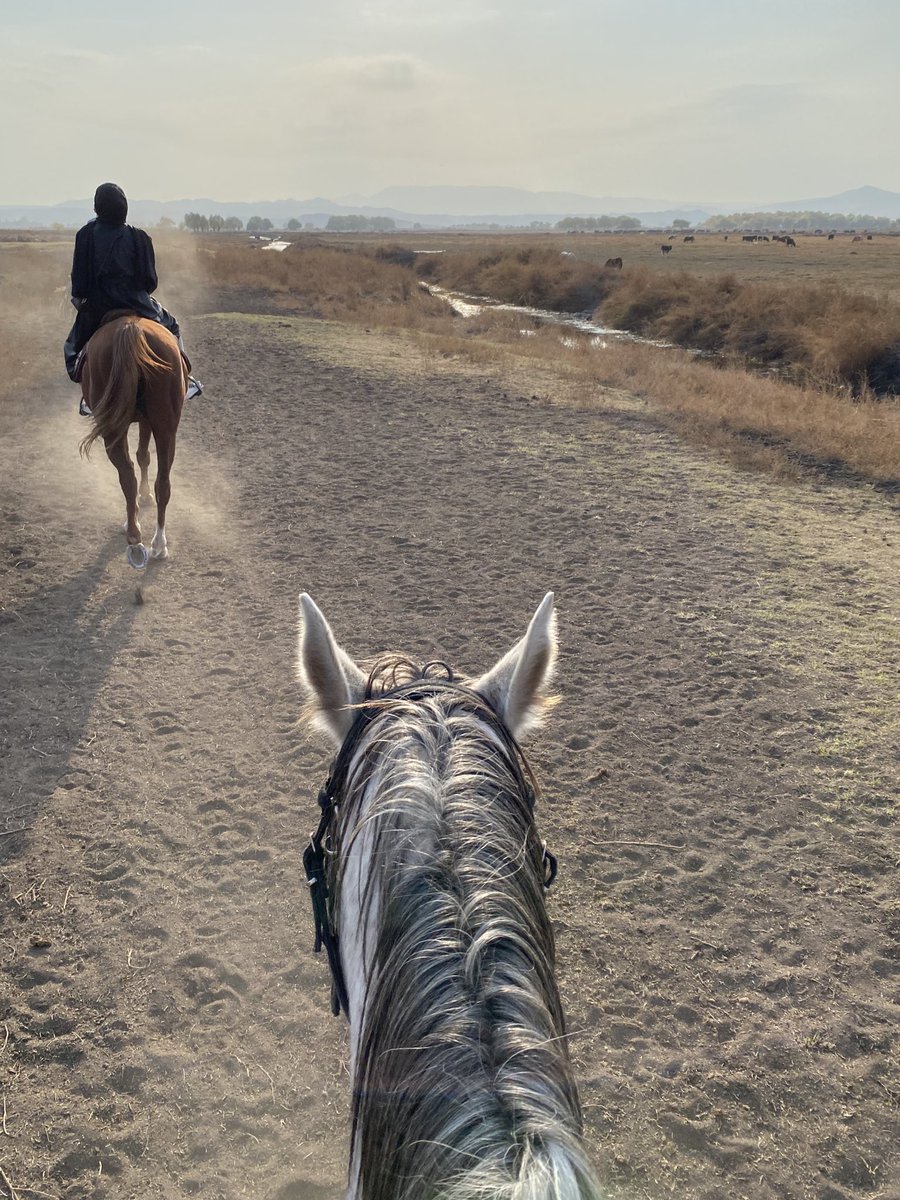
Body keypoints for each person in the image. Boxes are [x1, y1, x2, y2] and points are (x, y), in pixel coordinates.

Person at [64, 183, 203, 414]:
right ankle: (185, 381)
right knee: (174, 326)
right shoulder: (139, 237)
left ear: (97, 208)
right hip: (138, 302)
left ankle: (90, 398)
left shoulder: (85, 235)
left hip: (98, 306)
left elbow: (79, 283)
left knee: (74, 349)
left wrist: (85, 299)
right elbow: (150, 281)